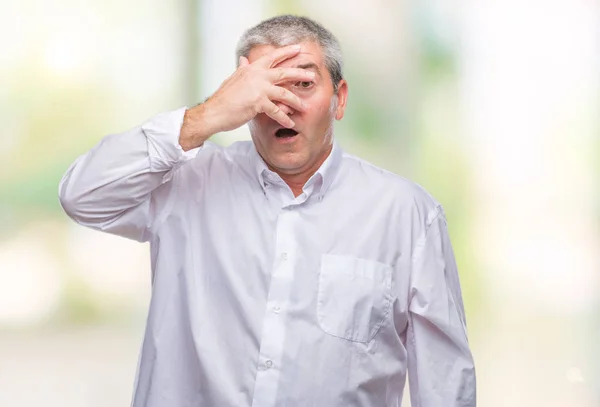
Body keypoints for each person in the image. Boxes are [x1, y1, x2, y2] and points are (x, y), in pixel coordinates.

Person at [59, 14, 476, 407]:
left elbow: (445, 382)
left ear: (339, 98)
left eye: (302, 83)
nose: (283, 103)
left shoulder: (406, 214)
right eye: (264, 87)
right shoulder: (185, 184)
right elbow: (82, 195)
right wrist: (206, 116)